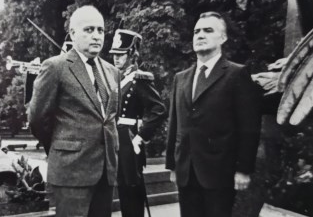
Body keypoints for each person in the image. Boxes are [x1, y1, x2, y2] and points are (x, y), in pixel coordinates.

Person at [165, 12, 261, 217]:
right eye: (196, 31)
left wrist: (244, 169)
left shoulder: (236, 74)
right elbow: (175, 123)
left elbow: (249, 128)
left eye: (208, 30)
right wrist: (172, 165)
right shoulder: (180, 79)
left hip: (220, 172)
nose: (200, 35)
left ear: (223, 38)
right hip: (186, 171)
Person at [28, 5, 120, 217]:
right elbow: (37, 118)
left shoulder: (112, 72)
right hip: (71, 172)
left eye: (100, 30)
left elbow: (111, 118)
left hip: (106, 172)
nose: (96, 36)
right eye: (89, 30)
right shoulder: (56, 67)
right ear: (73, 33)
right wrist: (63, 147)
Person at [109, 29, 166, 217]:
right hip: (113, 140)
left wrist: (141, 137)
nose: (116, 58)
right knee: (122, 191)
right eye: (114, 54)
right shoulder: (114, 78)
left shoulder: (139, 79)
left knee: (132, 193)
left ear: (132, 54)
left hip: (129, 141)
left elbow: (159, 109)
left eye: (120, 54)